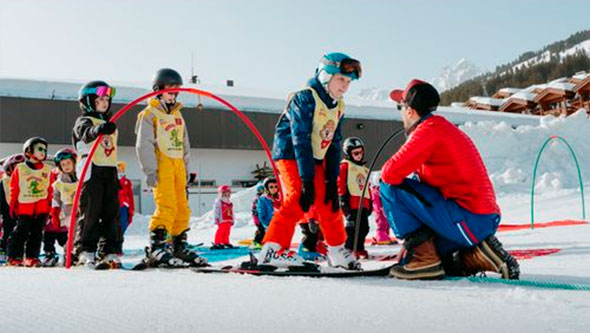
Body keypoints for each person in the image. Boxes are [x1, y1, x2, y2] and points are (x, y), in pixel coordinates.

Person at [379, 79, 520, 280]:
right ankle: (481, 254)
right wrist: (413, 246)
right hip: (477, 219)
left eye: (400, 107)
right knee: (436, 264)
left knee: (387, 186)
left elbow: (389, 174)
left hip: (467, 218)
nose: (400, 113)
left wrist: (414, 243)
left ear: (410, 111)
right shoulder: (440, 128)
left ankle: (425, 260)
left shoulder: (428, 131)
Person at [257, 52, 363, 270]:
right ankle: (272, 250)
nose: (345, 86)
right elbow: (300, 138)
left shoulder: (338, 105)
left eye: (348, 82)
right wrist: (306, 179)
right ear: (326, 76)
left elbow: (334, 144)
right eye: (340, 79)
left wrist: (332, 182)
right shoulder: (305, 97)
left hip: (315, 156)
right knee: (299, 197)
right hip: (291, 153)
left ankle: (336, 249)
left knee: (328, 200)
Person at [135, 68, 207, 267]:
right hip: (162, 165)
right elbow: (144, 144)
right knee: (166, 205)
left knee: (182, 207)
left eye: (176, 91)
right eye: (169, 90)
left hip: (177, 166)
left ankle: (178, 245)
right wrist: (150, 170)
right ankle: (157, 246)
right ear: (157, 90)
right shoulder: (149, 114)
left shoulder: (178, 115)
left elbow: (185, 146)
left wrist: (185, 171)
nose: (173, 94)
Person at [72, 80, 121, 267]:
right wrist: (97, 130)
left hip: (109, 170)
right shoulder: (85, 120)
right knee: (90, 211)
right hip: (91, 170)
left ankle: (109, 249)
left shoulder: (107, 122)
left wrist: (104, 126)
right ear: (88, 101)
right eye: (100, 98)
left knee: (111, 212)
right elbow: (84, 133)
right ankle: (85, 249)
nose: (105, 102)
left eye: (107, 99)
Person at [7, 137, 52, 267]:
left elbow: (49, 189)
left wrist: (49, 207)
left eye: (44, 149)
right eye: (39, 149)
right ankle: (14, 256)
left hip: (41, 207)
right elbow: (14, 187)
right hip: (25, 205)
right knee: (21, 230)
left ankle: (32, 257)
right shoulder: (20, 168)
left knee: (37, 232)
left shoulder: (47, 169)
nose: (43, 152)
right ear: (28, 152)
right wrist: (13, 205)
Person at [338, 137, 372, 259]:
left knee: (364, 228)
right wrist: (342, 199)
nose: (359, 156)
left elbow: (367, 187)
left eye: (361, 152)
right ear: (348, 153)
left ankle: (359, 248)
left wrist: (370, 202)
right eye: (355, 153)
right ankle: (349, 248)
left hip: (363, 203)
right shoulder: (345, 166)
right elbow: (340, 183)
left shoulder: (364, 169)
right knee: (352, 228)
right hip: (352, 202)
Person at [45, 148, 78, 267]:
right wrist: (55, 211)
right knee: (72, 235)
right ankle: (68, 254)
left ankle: (83, 253)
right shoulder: (59, 183)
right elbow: (55, 197)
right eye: (63, 165)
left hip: (84, 211)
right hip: (69, 212)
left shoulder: (82, 178)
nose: (66, 166)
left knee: (85, 234)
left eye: (69, 163)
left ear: (75, 162)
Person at [0, 154, 25, 262]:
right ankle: (5, 251)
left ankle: (19, 253)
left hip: (23, 211)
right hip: (8, 212)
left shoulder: (26, 180)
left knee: (23, 233)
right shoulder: (4, 182)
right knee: (8, 232)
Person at [255, 177, 280, 249]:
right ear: (267, 188)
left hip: (278, 224)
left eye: (276, 186)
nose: (274, 189)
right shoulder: (263, 199)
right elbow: (261, 213)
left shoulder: (279, 198)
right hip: (268, 224)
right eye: (271, 187)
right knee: (270, 241)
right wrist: (266, 223)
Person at [116, 161, 135, 254]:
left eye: (121, 169)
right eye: (117, 169)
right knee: (114, 227)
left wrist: (131, 208)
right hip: (114, 206)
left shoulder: (127, 182)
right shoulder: (112, 180)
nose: (119, 170)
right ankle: (114, 247)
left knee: (123, 226)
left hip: (124, 207)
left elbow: (130, 195)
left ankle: (119, 246)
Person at [212, 185, 234, 249]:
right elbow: (216, 210)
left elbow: (232, 211)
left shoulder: (230, 202)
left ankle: (225, 242)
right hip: (222, 219)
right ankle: (218, 242)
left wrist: (232, 219)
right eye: (225, 193)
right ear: (221, 193)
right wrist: (216, 218)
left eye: (228, 193)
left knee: (227, 231)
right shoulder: (219, 201)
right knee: (221, 231)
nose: (226, 194)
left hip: (228, 218)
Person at [250, 182, 265, 249]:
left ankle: (261, 241)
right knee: (261, 230)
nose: (262, 191)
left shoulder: (263, 197)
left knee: (263, 230)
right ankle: (256, 242)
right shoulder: (258, 198)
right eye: (260, 190)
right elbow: (256, 209)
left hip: (261, 218)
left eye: (263, 189)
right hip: (258, 218)